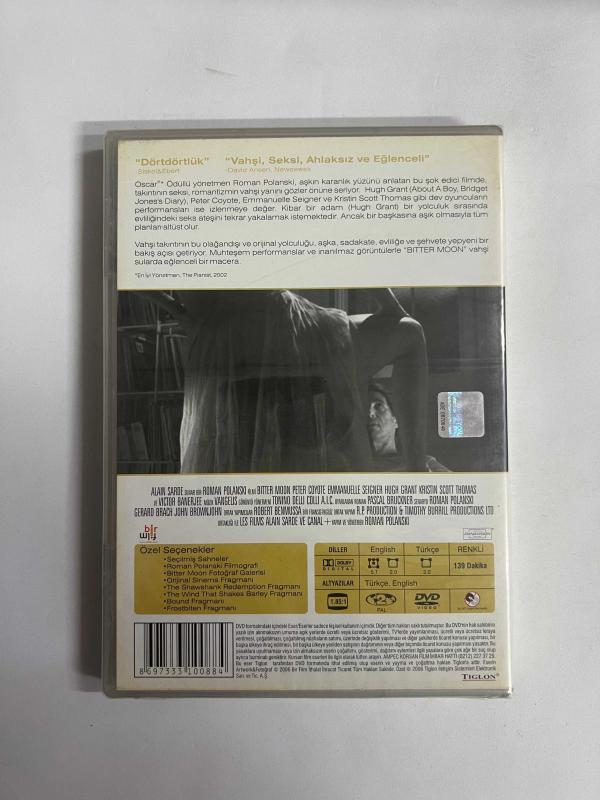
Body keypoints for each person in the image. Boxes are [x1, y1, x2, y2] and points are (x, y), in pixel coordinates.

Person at [367, 380, 450, 472]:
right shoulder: (354, 466)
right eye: (365, 408)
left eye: (378, 406)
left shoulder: (424, 463)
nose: (370, 413)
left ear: (396, 419)